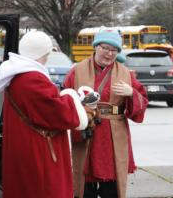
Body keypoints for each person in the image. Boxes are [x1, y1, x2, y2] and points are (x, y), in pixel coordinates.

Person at [0, 31, 89, 198]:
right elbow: (59, 112)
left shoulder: (16, 75)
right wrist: (74, 97)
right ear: (41, 53)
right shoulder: (32, 79)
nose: (47, 57)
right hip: (38, 151)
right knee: (43, 190)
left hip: (25, 146)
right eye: (47, 53)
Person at [63, 28, 148, 198]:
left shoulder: (125, 73)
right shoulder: (77, 70)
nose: (109, 54)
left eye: (114, 50)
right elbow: (64, 97)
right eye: (105, 48)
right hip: (86, 131)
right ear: (95, 47)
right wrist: (80, 109)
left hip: (113, 135)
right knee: (83, 181)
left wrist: (131, 92)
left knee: (112, 184)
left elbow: (143, 100)